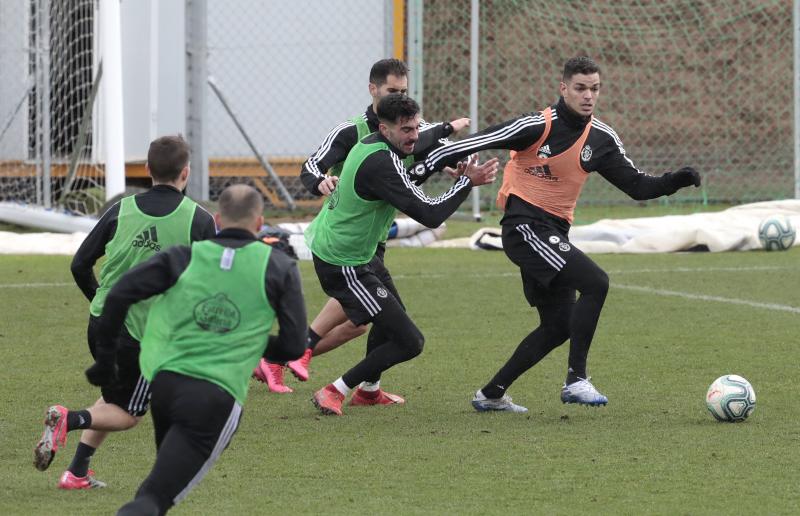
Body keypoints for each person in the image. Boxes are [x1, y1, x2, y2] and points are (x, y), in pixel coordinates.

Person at [418, 56, 702, 413]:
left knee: (558, 325)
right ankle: (576, 380)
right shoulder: (537, 126)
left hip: (553, 233)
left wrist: (675, 180)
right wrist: (428, 164)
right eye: (580, 88)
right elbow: (480, 139)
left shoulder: (600, 138)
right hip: (524, 228)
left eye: (594, 89)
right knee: (596, 282)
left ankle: (491, 394)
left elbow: (637, 186)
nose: (588, 96)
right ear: (563, 88)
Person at [85, 184, 306, 514]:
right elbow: (293, 345)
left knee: (156, 489)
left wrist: (104, 361)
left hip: (166, 386)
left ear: (217, 219)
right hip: (214, 396)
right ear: (260, 223)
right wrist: (244, 338)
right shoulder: (279, 266)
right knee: (154, 498)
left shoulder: (182, 257)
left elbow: (118, 294)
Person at [255, 58, 469, 394]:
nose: (398, 97)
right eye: (391, 90)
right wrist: (320, 181)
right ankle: (290, 357)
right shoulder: (352, 131)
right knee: (380, 320)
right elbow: (311, 166)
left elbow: (430, 148)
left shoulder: (408, 126)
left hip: (372, 236)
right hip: (345, 238)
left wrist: (452, 163)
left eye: (403, 91)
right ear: (373, 89)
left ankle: (345, 379)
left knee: (366, 323)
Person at [33, 135, 216, 489]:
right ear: (186, 172)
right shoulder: (199, 220)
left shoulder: (121, 209)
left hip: (101, 323)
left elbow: (80, 264)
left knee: (116, 395)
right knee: (129, 414)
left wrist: (100, 302)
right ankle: (69, 419)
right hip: (140, 334)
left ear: (147, 169)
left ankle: (77, 473)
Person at [307, 93, 499, 415]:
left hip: (359, 254)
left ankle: (369, 391)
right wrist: (465, 183)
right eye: (406, 130)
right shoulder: (381, 163)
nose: (414, 136)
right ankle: (333, 389)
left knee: (390, 322)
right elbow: (430, 214)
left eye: (416, 128)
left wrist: (446, 148)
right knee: (410, 341)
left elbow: (413, 166)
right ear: (385, 129)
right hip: (342, 263)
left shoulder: (375, 144)